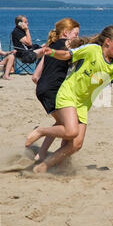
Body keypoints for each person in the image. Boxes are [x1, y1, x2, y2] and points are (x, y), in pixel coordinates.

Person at [25, 25, 113, 173]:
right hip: (69, 94)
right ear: (107, 41)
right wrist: (52, 51)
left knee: (76, 144)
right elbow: (68, 55)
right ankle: (41, 131)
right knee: (71, 131)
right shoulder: (92, 50)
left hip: (83, 104)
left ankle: (44, 166)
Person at [34, 18, 82, 162]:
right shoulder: (67, 48)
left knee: (63, 124)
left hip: (42, 89)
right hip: (54, 90)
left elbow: (35, 77)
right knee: (68, 127)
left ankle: (43, 154)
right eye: (76, 34)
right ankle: (43, 151)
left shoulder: (50, 47)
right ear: (66, 33)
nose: (77, 38)